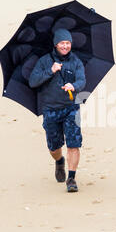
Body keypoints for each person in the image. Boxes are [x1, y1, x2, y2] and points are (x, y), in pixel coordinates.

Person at [28, 28, 86, 193]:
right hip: (51, 109)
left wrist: (74, 85)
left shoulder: (76, 61)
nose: (66, 46)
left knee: (74, 144)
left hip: (71, 108)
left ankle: (72, 178)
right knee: (54, 146)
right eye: (62, 43)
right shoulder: (45, 61)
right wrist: (51, 71)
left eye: (68, 43)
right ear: (56, 44)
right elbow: (33, 82)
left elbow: (82, 79)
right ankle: (59, 161)